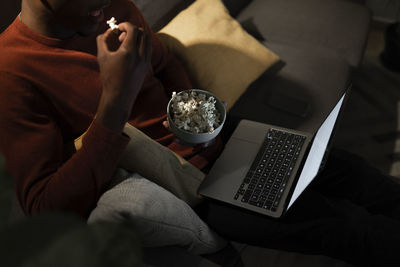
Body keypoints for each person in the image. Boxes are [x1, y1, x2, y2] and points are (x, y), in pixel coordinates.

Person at [0, 0, 399, 266]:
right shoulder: (12, 70)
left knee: (350, 171)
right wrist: (115, 100)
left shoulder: (110, 7)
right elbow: (45, 207)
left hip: (219, 140)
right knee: (348, 228)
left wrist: (194, 110)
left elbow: (165, 61)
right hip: (187, 185)